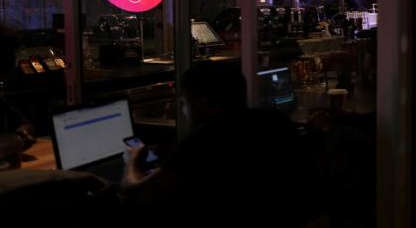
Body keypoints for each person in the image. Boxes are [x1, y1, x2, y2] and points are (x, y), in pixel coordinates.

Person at [121, 62, 306, 223]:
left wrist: (133, 159)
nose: (184, 110)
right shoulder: (274, 121)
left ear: (202, 102)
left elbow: (136, 193)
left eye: (185, 102)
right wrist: (175, 153)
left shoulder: (204, 143)